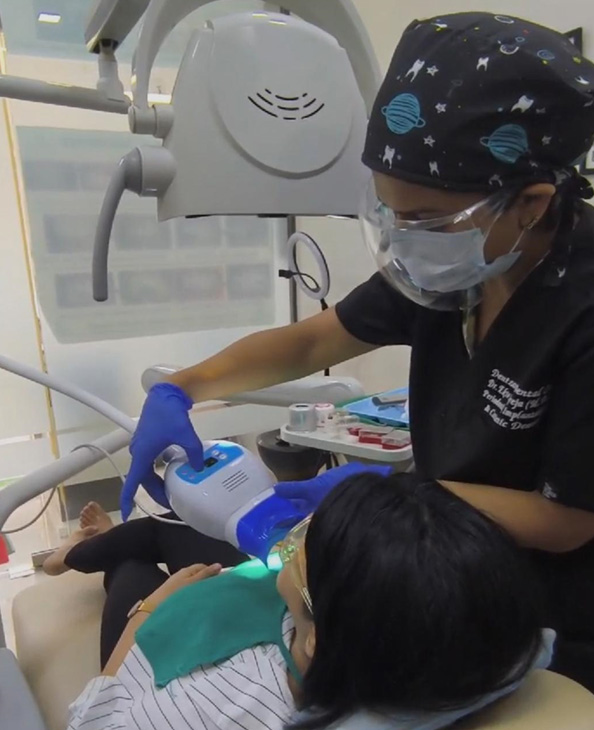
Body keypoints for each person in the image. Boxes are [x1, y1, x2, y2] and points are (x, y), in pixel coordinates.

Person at [122, 12, 594, 689]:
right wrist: (183, 387)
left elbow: (568, 520)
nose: (404, 239)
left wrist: (393, 493)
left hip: (542, 614)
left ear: (532, 202)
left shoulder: (578, 307)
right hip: (434, 562)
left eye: (423, 219)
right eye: (390, 212)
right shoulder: (457, 269)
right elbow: (318, 336)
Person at [68, 471, 551, 730]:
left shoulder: (224, 703)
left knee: (132, 569)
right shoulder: (441, 634)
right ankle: (99, 542)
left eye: (304, 544)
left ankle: (78, 552)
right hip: (237, 603)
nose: (292, 542)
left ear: (319, 636)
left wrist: (151, 608)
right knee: (173, 531)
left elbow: (93, 724)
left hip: (164, 633)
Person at [43, 502, 247, 669]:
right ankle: (106, 544)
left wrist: (149, 608)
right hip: (248, 632)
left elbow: (109, 692)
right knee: (187, 523)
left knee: (130, 566)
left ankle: (83, 552)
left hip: (174, 675)